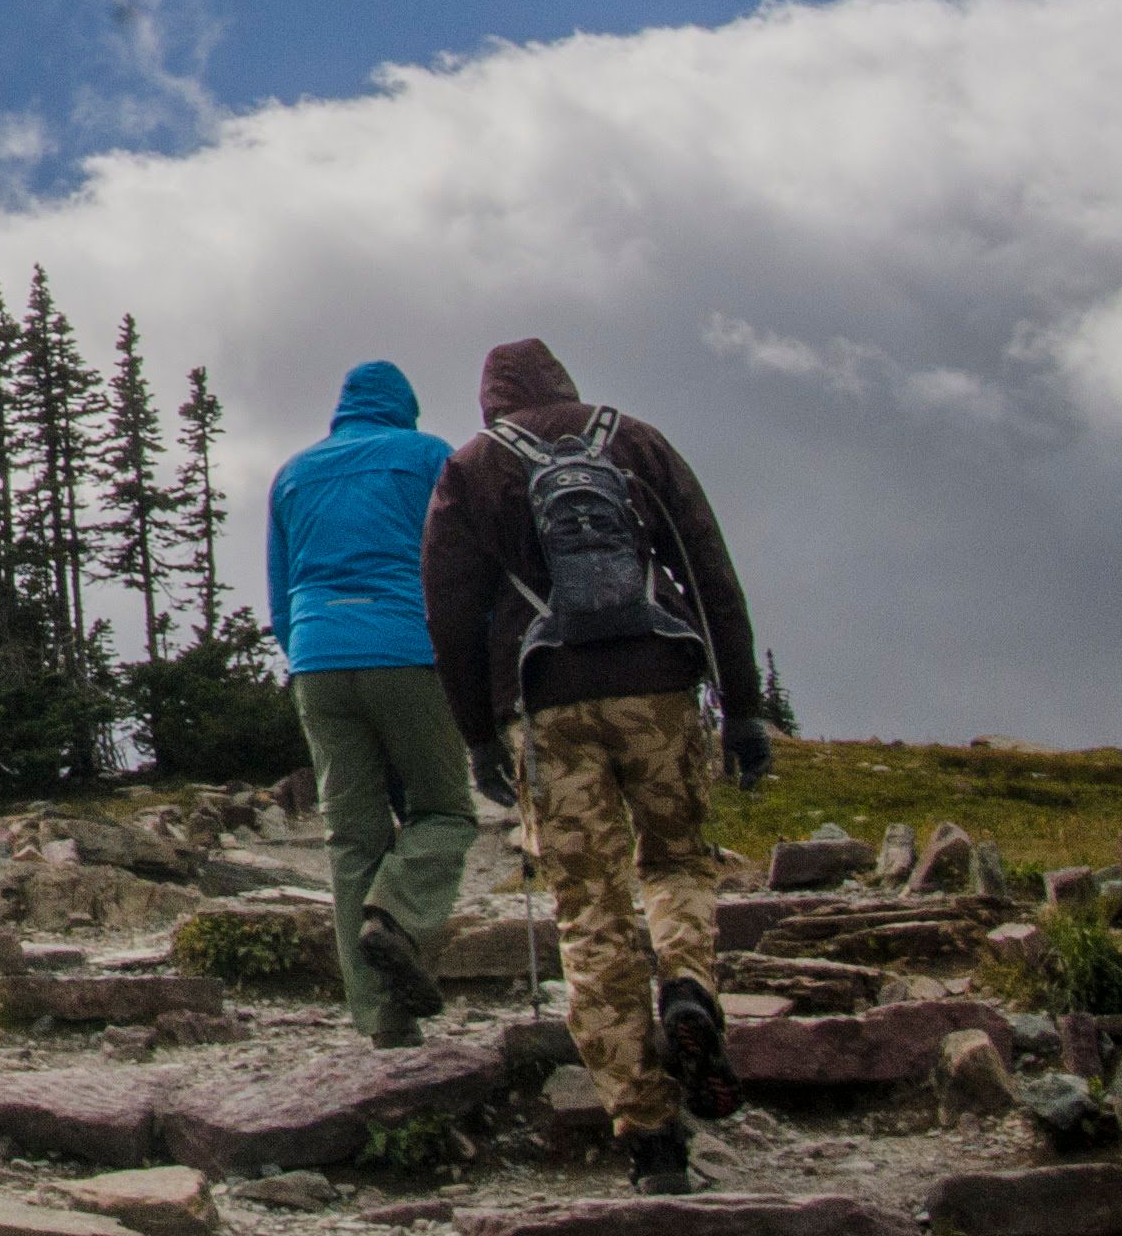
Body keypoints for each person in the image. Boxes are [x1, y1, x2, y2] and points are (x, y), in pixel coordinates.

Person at [422, 339, 768, 1198]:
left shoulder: (472, 469)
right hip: (660, 685)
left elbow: (450, 613)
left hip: (546, 704)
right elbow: (708, 568)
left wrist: (477, 736)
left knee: (589, 906)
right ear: (564, 386)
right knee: (679, 860)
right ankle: (687, 983)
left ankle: (650, 1135)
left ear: (491, 401)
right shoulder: (637, 442)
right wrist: (744, 703)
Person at [267, 358, 470, 1043]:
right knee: (443, 809)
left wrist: (306, 655)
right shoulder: (429, 456)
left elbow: (278, 588)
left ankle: (383, 1023)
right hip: (406, 650)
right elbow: (457, 563)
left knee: (352, 838)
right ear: (403, 407)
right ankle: (395, 915)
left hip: (320, 657)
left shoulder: (294, 473)